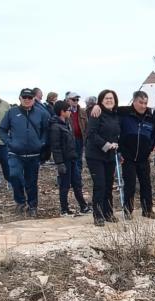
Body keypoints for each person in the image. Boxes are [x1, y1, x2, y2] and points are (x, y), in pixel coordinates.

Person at [0, 88, 49, 217]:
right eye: (24, 97)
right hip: (15, 153)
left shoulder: (41, 113)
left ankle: (32, 206)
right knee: (14, 176)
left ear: (33, 99)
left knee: (31, 182)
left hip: (34, 154)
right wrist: (9, 142)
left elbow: (46, 130)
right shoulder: (11, 113)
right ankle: (20, 201)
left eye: (29, 98)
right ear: (20, 98)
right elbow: (2, 130)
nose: (27, 100)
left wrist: (42, 142)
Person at [118, 91, 155, 220]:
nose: (143, 106)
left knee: (146, 184)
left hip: (143, 157)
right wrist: (120, 151)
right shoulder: (124, 114)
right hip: (128, 157)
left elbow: (154, 136)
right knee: (130, 185)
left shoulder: (150, 117)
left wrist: (150, 148)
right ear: (134, 101)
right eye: (140, 102)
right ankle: (128, 210)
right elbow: (108, 110)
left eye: (145, 103)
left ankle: (147, 210)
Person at [85, 89, 121, 226]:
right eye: (106, 98)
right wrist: (106, 145)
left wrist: (117, 145)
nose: (109, 100)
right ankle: (98, 214)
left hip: (110, 155)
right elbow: (91, 134)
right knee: (100, 185)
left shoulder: (116, 115)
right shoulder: (97, 113)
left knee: (108, 185)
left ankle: (108, 213)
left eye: (111, 98)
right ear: (101, 100)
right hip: (95, 155)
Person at [49, 101, 90, 216]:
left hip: (72, 158)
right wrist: (60, 163)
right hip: (64, 160)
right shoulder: (55, 127)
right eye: (69, 110)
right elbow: (55, 147)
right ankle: (64, 209)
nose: (71, 112)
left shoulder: (66, 124)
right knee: (65, 185)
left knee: (77, 183)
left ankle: (83, 206)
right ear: (62, 112)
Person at [65, 92, 88, 180]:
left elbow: (86, 125)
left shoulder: (82, 111)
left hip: (80, 139)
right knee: (69, 159)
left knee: (79, 159)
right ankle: (69, 179)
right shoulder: (64, 110)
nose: (76, 101)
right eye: (73, 99)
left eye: (77, 99)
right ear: (68, 100)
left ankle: (77, 178)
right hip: (69, 140)